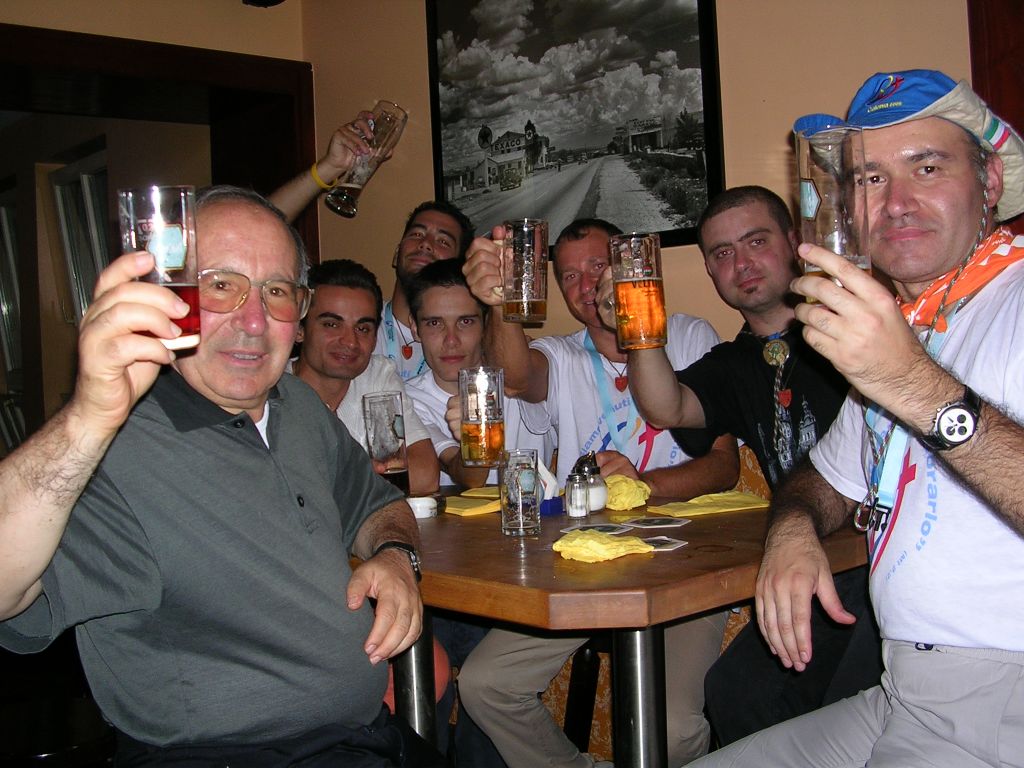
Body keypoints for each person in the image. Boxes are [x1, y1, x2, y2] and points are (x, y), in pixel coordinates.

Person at [0, 186, 436, 766]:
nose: (253, 321)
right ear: (168, 296)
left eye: (276, 291)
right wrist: (86, 420)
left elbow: (380, 504)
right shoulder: (114, 447)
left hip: (361, 737)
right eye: (221, 285)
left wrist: (397, 556)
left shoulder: (297, 407)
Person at [690, 69, 1024, 767]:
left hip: (1000, 695)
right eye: (870, 179)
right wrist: (791, 530)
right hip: (903, 693)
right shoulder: (907, 324)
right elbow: (821, 479)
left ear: (989, 181)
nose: (895, 202)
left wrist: (911, 383)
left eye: (926, 167)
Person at [600, 186, 881, 745]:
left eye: (757, 241)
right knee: (735, 693)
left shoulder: (854, 326)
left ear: (795, 243)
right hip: (809, 563)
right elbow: (667, 407)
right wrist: (637, 327)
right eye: (723, 253)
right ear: (709, 271)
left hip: (879, 566)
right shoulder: (734, 362)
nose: (742, 263)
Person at [457, 218, 740, 768]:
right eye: (568, 276)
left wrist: (640, 485)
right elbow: (517, 375)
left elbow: (724, 467)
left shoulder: (689, 335)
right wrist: (499, 301)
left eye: (597, 267)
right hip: (587, 562)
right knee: (486, 684)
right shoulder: (561, 354)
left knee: (672, 731)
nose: (586, 286)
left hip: (685, 561)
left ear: (626, 266)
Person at [267, 118, 475, 381]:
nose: (425, 243)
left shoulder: (469, 338)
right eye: (417, 234)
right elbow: (259, 230)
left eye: (443, 241)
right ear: (396, 253)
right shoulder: (355, 321)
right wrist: (329, 168)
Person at [289, 258, 440, 495]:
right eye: (331, 324)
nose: (350, 341)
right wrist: (366, 474)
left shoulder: (377, 376)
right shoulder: (271, 388)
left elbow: (425, 475)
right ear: (299, 329)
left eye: (363, 329)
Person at [405, 258, 554, 488]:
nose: (451, 340)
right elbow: (469, 479)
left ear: (485, 324)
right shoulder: (409, 400)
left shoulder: (524, 376)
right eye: (435, 323)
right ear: (415, 328)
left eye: (465, 321)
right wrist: (475, 436)